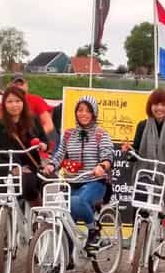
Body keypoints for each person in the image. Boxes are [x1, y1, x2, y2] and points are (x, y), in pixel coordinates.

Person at [121, 88, 165, 251]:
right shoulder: (142, 126)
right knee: (139, 211)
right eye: (155, 104)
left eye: (163, 104)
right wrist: (129, 151)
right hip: (148, 175)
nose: (159, 108)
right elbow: (136, 153)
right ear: (150, 106)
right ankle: (137, 245)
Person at [43, 96, 114, 248]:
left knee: (77, 202)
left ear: (94, 113)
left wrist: (101, 166)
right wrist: (50, 166)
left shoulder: (101, 134)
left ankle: (94, 231)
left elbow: (108, 156)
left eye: (88, 110)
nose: (83, 114)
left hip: (95, 182)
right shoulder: (69, 134)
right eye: (80, 110)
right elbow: (59, 155)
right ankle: (66, 262)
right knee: (65, 218)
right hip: (72, 182)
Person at [0, 85, 48, 219]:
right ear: (4, 104)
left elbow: (45, 141)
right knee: (4, 203)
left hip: (29, 169)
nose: (14, 105)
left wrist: (43, 145)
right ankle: (5, 232)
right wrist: (11, 167)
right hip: (5, 170)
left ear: (23, 103)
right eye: (9, 101)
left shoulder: (33, 120)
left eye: (18, 101)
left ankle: (39, 214)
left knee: (30, 185)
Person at [11, 74, 57, 149]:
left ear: (26, 85)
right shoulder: (9, 103)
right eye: (16, 84)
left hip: (38, 143)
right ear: (11, 87)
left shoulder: (36, 100)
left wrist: (35, 138)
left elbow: (49, 124)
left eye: (21, 84)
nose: (19, 87)